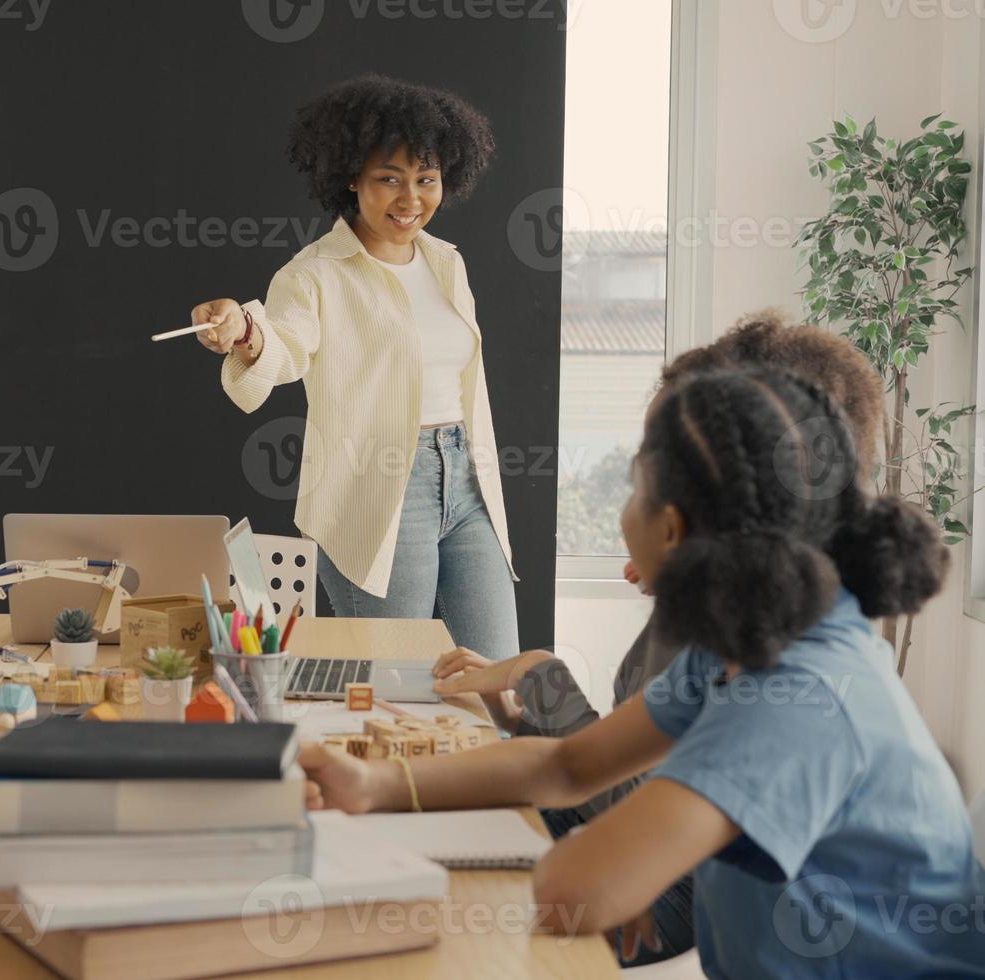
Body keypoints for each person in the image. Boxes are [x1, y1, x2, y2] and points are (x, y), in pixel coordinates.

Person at [300, 366, 985, 977]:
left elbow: (573, 889)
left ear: (673, 529)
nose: (623, 513)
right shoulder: (747, 642)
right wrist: (375, 782)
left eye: (632, 488)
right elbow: (569, 765)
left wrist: (617, 868)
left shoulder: (799, 696)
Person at [428, 310, 887, 962]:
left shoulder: (791, 683)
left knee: (477, 929)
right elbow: (574, 767)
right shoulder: (741, 628)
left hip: (676, 897)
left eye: (648, 480)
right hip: (694, 901)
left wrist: (539, 679)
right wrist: (386, 787)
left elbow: (593, 851)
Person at [191, 73, 519, 666]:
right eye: (388, 179)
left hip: (467, 478)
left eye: (426, 179)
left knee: (497, 677)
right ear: (350, 178)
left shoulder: (447, 263)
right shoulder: (314, 273)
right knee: (395, 678)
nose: (410, 198)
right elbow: (287, 345)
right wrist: (244, 331)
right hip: (376, 489)